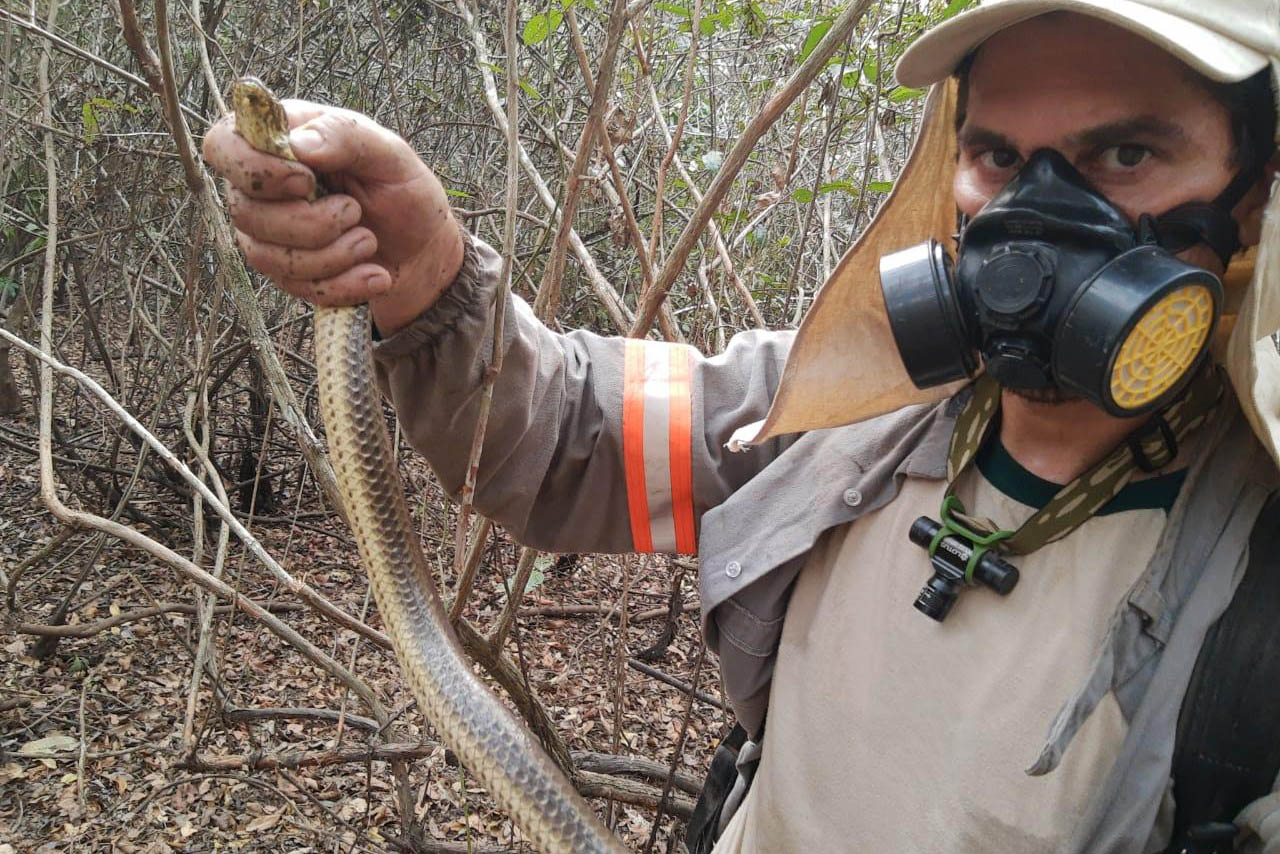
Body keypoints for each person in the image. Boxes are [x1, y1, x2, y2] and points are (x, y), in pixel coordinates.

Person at [202, 0, 1280, 850]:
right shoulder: (837, 407)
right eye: (997, 157)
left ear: (1250, 194)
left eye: (1123, 156)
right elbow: (563, 432)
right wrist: (425, 269)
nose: (1032, 217)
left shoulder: (1255, 584)